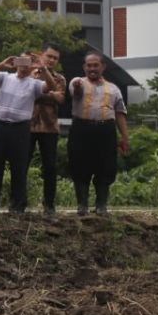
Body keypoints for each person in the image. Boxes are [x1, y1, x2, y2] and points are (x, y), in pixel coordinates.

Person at [0, 51, 55, 213]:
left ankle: (18, 205)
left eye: (27, 62)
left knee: (19, 167)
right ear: (16, 63)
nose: (24, 66)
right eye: (21, 61)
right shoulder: (5, 77)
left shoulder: (34, 83)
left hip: (20, 128)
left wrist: (43, 68)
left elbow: (51, 87)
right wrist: (2, 63)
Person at [67, 51, 130, 215]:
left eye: (96, 65)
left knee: (106, 167)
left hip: (106, 130)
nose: (92, 68)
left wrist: (125, 137)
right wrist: (79, 88)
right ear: (84, 67)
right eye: (89, 65)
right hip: (81, 129)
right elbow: (77, 93)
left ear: (103, 67)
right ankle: (82, 205)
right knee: (79, 166)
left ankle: (101, 205)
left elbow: (120, 113)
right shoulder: (77, 81)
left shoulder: (114, 88)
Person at [29, 44, 67, 215]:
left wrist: (46, 94)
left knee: (50, 167)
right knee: (22, 165)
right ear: (41, 55)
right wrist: (51, 94)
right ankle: (19, 202)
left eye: (55, 58)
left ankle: (49, 204)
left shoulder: (60, 78)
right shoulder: (28, 74)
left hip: (49, 127)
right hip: (27, 126)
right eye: (49, 56)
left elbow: (59, 99)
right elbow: (30, 93)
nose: (51, 60)